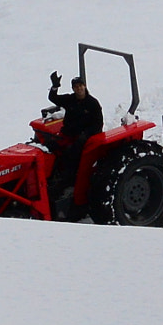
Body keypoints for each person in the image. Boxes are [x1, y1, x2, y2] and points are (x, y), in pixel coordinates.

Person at [46, 71, 104, 220]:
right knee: (49, 148)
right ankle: (51, 177)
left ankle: (64, 183)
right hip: (67, 136)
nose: (78, 89)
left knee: (71, 156)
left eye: (80, 86)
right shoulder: (70, 100)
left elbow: (98, 124)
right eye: (76, 87)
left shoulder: (93, 104)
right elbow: (53, 98)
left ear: (85, 86)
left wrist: (85, 135)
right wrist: (55, 86)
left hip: (83, 139)